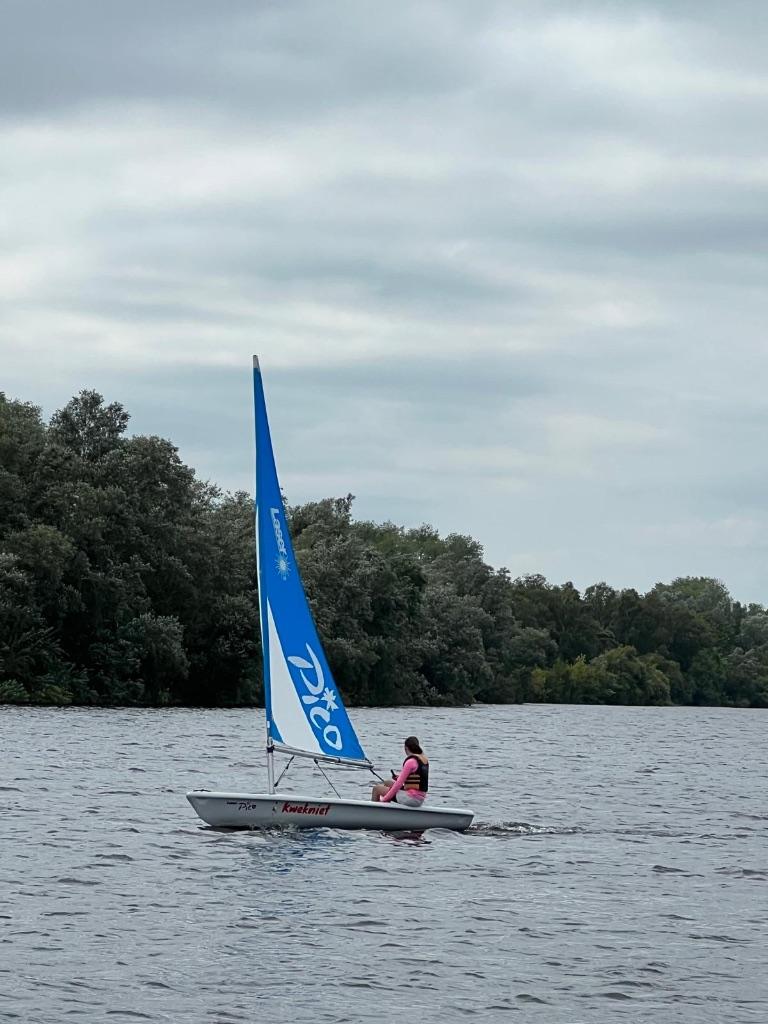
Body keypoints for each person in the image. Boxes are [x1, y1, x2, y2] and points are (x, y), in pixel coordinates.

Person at [371, 736, 429, 807]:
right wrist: (397, 778)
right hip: (419, 798)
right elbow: (414, 779)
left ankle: (375, 811)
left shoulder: (410, 762)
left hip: (411, 798)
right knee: (387, 782)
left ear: (406, 748)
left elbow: (398, 784)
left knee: (376, 789)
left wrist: (384, 799)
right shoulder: (423, 760)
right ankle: (385, 809)